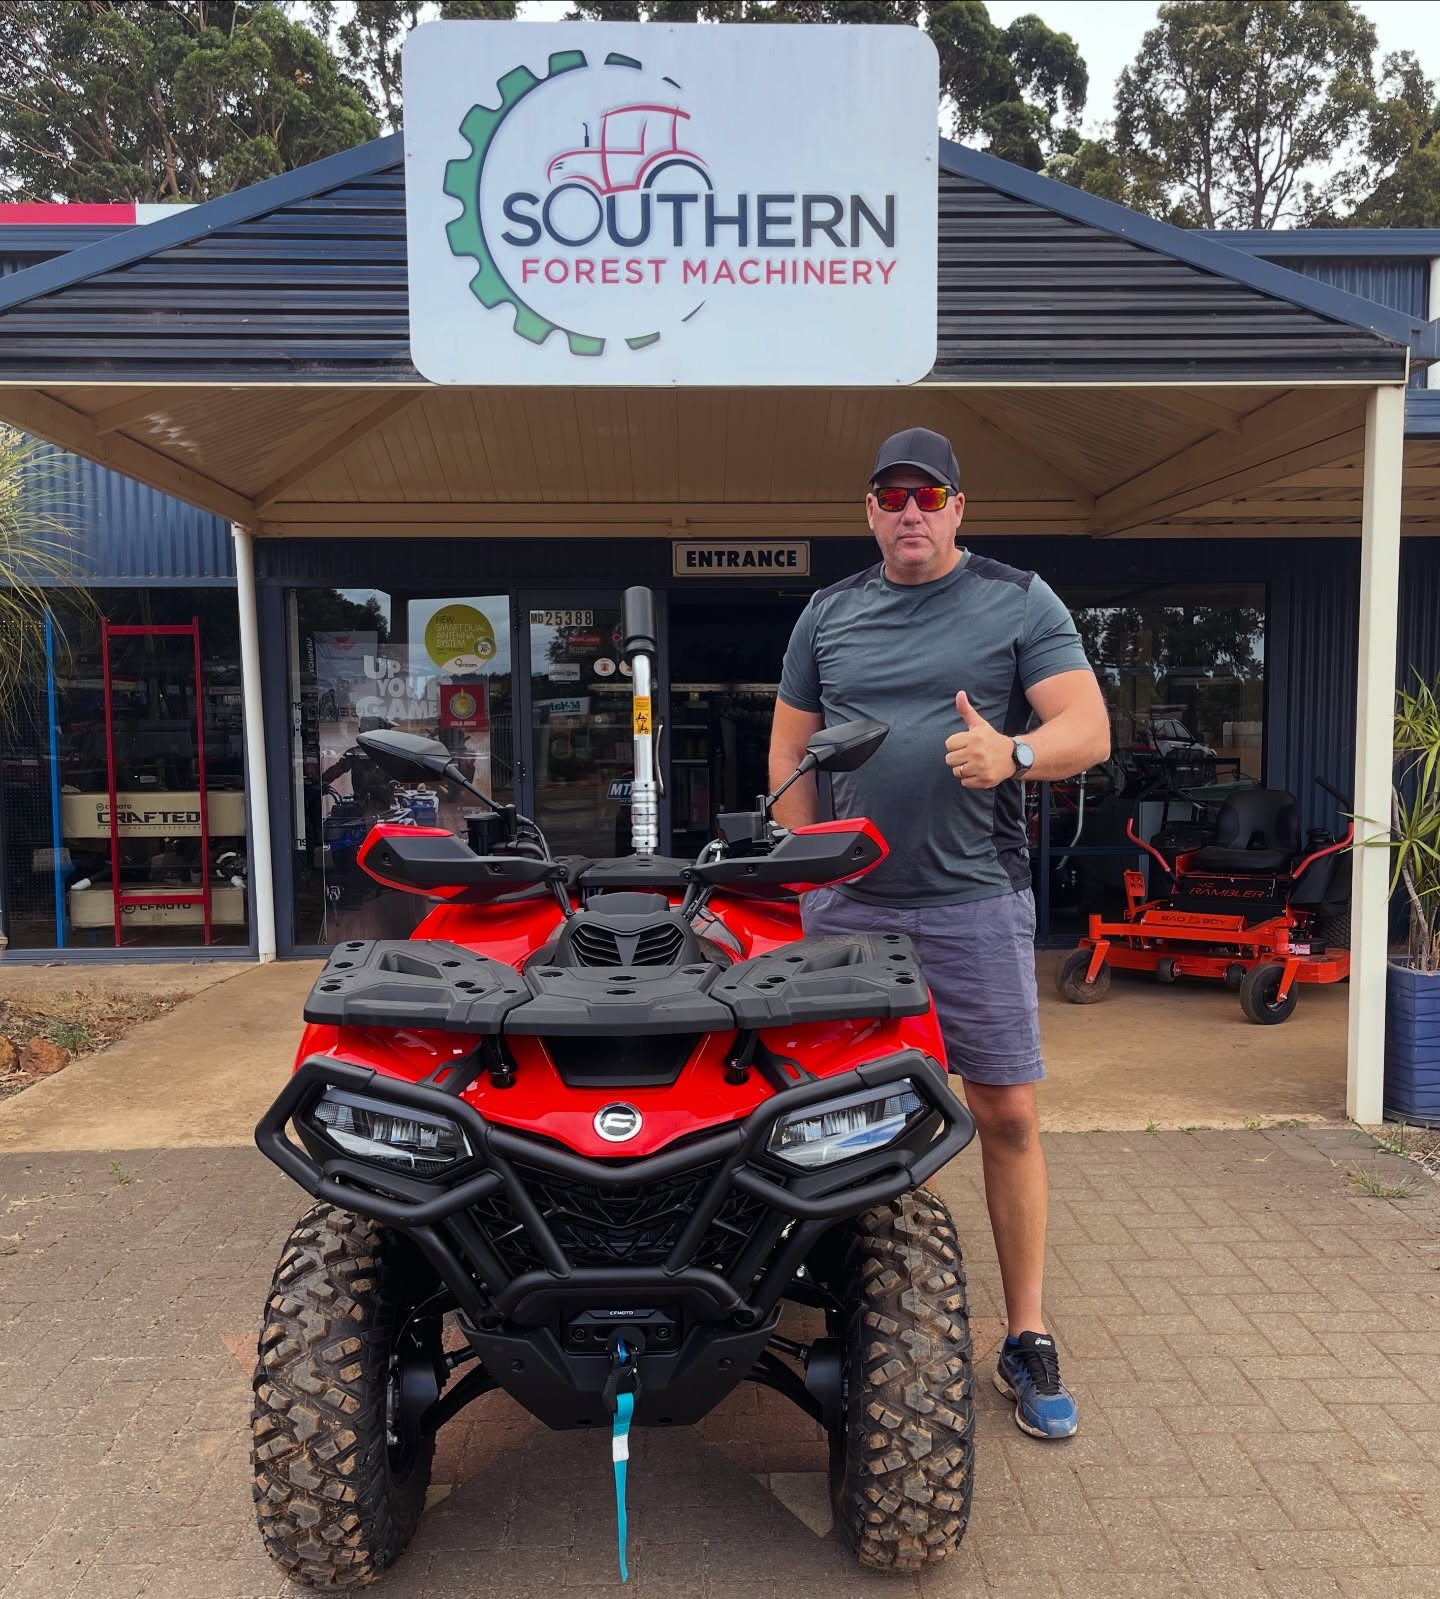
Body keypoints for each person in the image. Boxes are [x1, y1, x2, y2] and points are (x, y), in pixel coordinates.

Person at [769, 426, 1110, 1440]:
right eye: (892, 496)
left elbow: (1088, 729)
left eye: (929, 495)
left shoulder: (1019, 599)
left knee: (1005, 1114)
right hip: (850, 911)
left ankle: (1027, 1332)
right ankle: (842, 1296)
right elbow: (789, 753)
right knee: (828, 1114)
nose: (910, 511)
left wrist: (1013, 753)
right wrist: (809, 872)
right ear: (869, 512)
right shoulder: (828, 613)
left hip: (973, 903)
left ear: (959, 507)